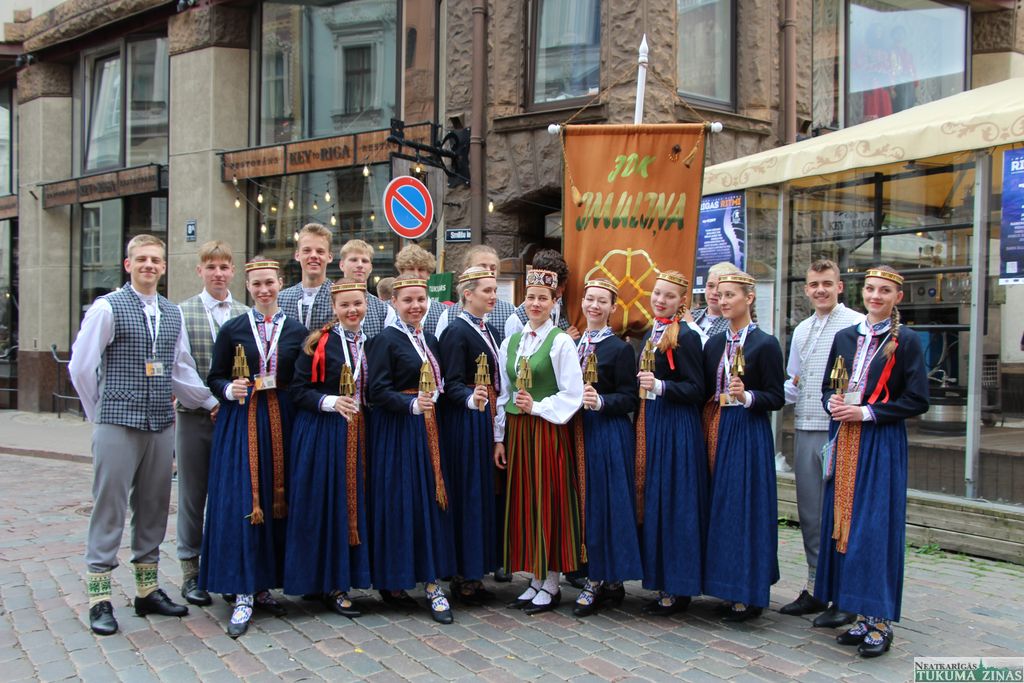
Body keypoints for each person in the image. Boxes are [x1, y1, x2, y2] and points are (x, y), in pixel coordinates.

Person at [69, 234, 217, 636]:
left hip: (160, 423)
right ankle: (99, 596)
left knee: (153, 505)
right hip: (117, 422)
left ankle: (147, 590)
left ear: (164, 267)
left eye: (155, 260)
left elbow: (180, 369)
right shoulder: (108, 307)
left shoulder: (171, 312)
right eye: (142, 259)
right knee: (110, 505)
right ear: (128, 264)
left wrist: (210, 402)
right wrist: (99, 410)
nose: (149, 265)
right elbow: (80, 366)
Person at [815, 266, 928, 658]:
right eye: (870, 289)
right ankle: (858, 613)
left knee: (874, 528)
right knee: (843, 525)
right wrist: (832, 402)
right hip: (844, 438)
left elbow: (917, 399)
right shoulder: (846, 336)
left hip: (880, 440)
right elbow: (828, 385)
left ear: (898, 297)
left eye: (884, 291)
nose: (875, 296)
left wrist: (866, 412)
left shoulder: (906, 340)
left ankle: (880, 620)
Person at [200, 258, 308, 638]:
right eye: (257, 284)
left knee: (278, 501)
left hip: (283, 421)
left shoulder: (297, 330)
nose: (264, 290)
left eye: (269, 283)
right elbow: (214, 376)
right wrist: (228, 389)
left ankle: (264, 585)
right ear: (247, 287)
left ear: (281, 283)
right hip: (243, 421)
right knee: (245, 501)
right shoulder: (233, 329)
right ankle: (242, 589)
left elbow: (301, 381)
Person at [494, 268, 585, 615]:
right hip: (519, 433)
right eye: (531, 297)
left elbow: (573, 394)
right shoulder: (512, 342)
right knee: (526, 502)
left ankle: (552, 583)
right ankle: (535, 578)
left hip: (547, 431)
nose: (535, 303)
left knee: (548, 501)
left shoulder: (560, 341)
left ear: (553, 302)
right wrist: (499, 437)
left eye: (542, 298)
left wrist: (539, 407)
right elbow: (503, 392)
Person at [366, 275, 455, 624]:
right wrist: (410, 405)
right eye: (408, 300)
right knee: (401, 501)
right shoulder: (385, 340)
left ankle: (432, 580)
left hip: (427, 428)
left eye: (420, 299)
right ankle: (396, 579)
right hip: (397, 430)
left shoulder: (429, 338)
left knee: (429, 501)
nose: (416, 306)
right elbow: (376, 391)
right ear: (394, 302)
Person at [780, 260, 863, 624]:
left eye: (827, 283)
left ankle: (845, 595)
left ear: (839, 286)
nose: (820, 290)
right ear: (806, 290)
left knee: (842, 513)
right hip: (805, 426)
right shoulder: (802, 330)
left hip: (842, 430)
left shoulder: (857, 324)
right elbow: (794, 383)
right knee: (811, 514)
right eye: (814, 284)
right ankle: (816, 587)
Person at [284, 279, 371, 619]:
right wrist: (331, 402)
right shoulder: (319, 342)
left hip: (358, 434)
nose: (352, 310)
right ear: (334, 308)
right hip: (323, 433)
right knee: (326, 506)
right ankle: (327, 582)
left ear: (366, 306)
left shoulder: (370, 342)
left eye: (358, 304)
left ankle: (342, 578)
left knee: (351, 505)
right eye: (345, 305)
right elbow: (298, 391)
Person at [702, 271, 785, 622]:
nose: (723, 301)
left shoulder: (765, 344)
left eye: (730, 295)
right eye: (720, 295)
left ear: (749, 298)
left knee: (746, 507)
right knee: (721, 506)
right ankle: (725, 584)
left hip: (748, 429)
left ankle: (749, 590)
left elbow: (776, 396)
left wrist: (748, 396)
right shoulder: (713, 344)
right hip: (716, 426)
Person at [175, 240, 249, 608]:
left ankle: (227, 567)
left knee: (234, 495)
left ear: (232, 271)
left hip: (237, 419)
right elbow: (181, 366)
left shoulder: (245, 313)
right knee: (193, 494)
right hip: (196, 416)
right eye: (211, 267)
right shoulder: (182, 312)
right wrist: (212, 401)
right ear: (200, 271)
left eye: (223, 267)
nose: (218, 273)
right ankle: (190, 569)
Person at [634, 271, 708, 616]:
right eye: (657, 293)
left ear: (682, 302)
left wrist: (661, 386)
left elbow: (696, 388)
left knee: (676, 502)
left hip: (677, 426)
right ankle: (661, 578)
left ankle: (678, 586)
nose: (661, 300)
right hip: (653, 421)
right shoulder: (652, 332)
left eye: (669, 296)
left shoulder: (687, 337)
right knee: (656, 500)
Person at [571, 279, 643, 617]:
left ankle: (599, 577)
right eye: (590, 299)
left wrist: (601, 401)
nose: (594, 306)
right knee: (583, 502)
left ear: (613, 308)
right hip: (578, 429)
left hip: (607, 431)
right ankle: (594, 572)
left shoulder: (619, 348)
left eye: (602, 301)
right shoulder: (573, 343)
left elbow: (629, 398)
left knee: (604, 502)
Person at [438, 267, 503, 605]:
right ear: (468, 294)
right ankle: (463, 574)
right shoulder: (456, 331)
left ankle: (478, 569)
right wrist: (469, 399)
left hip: (485, 416)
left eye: (494, 290)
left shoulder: (490, 329)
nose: (493, 296)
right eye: (487, 290)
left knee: (483, 491)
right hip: (465, 421)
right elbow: (449, 383)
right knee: (468, 492)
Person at [434, 245, 517, 344]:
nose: (488, 271)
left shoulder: (511, 312)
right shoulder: (448, 315)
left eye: (493, 268)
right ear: (468, 269)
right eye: (482, 266)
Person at [504, 249, 581, 342]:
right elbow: (515, 350)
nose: (560, 293)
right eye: (556, 288)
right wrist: (564, 338)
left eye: (563, 286)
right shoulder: (516, 321)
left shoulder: (564, 308)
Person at [278, 223, 336, 331]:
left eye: (320, 251)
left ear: (330, 257)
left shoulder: (339, 299)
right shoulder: (280, 300)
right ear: (297, 255)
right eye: (307, 250)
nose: (313, 255)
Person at [384, 244, 446, 337]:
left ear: (428, 274)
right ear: (401, 272)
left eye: (421, 269)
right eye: (411, 269)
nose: (416, 274)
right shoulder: (386, 310)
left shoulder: (444, 312)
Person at [339, 238, 389, 339]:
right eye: (354, 260)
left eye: (365, 261)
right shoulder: (327, 302)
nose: (360, 265)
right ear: (342, 265)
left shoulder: (384, 310)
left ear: (370, 268)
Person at [690, 261, 741, 339]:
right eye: (710, 286)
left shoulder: (735, 325)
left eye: (721, 288)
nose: (714, 292)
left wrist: (690, 324)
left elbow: (710, 346)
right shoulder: (692, 315)